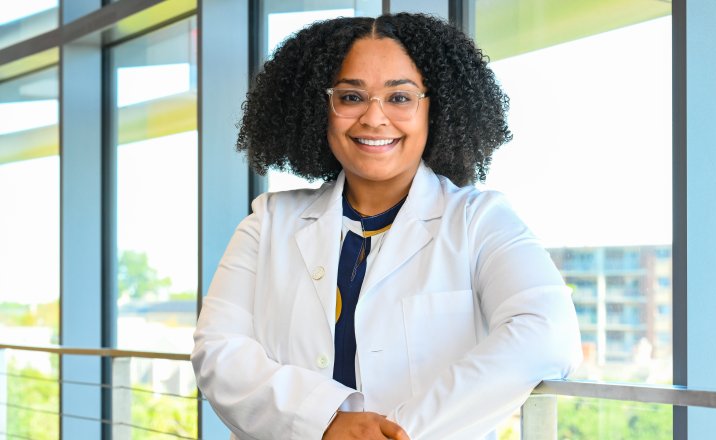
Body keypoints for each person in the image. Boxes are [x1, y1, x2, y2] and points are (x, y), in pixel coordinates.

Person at [191, 12, 582, 440]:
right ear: (319, 109)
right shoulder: (267, 222)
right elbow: (218, 353)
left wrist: (395, 434)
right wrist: (322, 423)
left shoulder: (480, 220)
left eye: (400, 98)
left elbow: (547, 333)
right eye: (351, 97)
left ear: (438, 108)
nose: (375, 119)